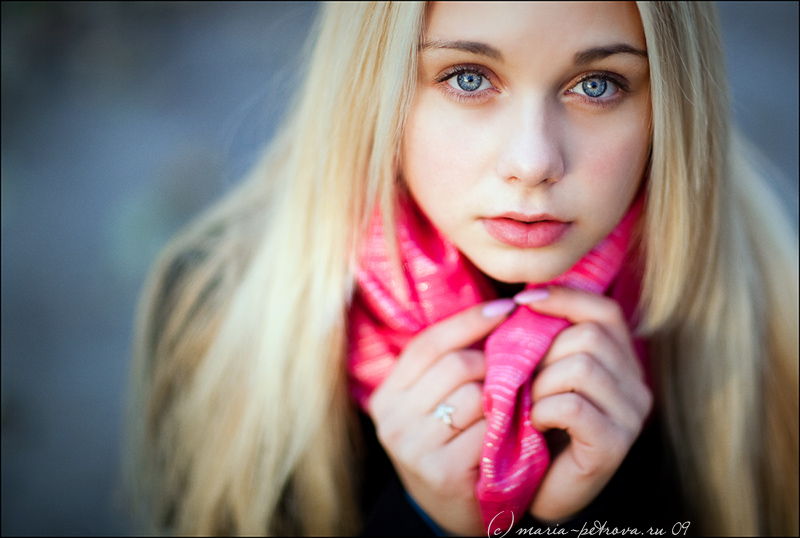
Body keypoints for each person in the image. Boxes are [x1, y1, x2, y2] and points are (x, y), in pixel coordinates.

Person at [124, 2, 798, 536]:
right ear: (371, 85)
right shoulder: (217, 312)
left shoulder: (767, 322)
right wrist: (421, 522)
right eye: (468, 78)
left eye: (598, 84)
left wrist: (583, 516)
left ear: (670, 105)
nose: (533, 161)